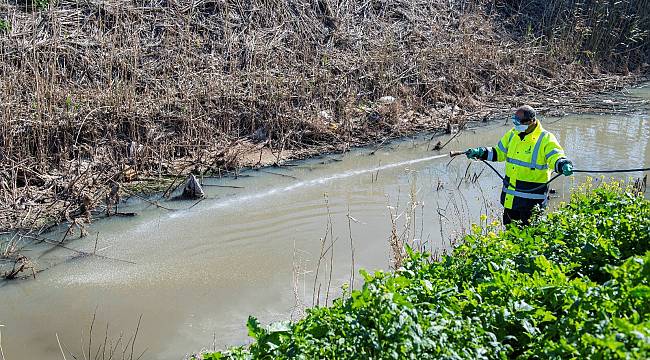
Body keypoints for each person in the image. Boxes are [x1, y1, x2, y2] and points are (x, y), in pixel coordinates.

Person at [465, 105, 574, 226]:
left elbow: (555, 157)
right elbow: (499, 153)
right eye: (514, 121)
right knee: (510, 236)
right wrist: (481, 152)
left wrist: (563, 164)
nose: (516, 125)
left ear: (531, 121)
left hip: (532, 202)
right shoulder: (512, 134)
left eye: (519, 122)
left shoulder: (546, 138)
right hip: (510, 199)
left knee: (530, 238)